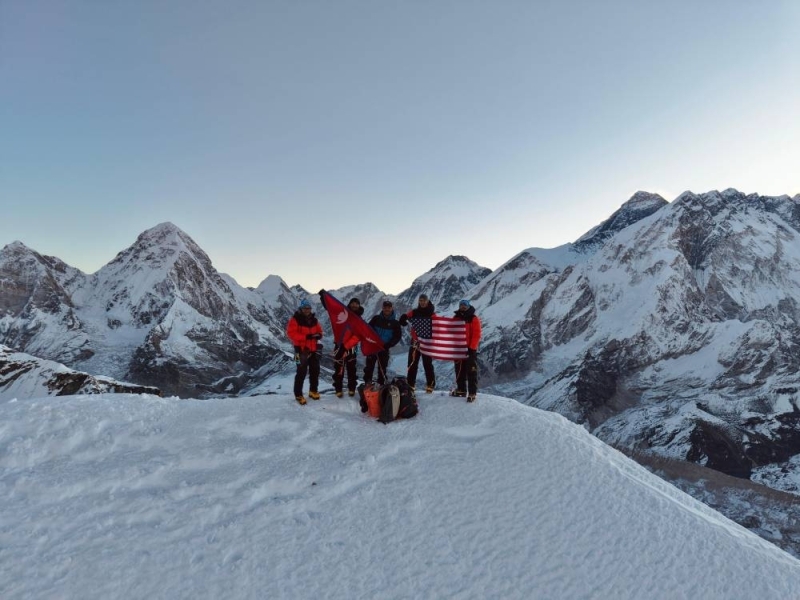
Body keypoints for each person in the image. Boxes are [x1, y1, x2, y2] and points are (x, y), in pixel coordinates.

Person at [286, 299, 323, 405]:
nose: (307, 310)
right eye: (305, 308)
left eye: (308, 308)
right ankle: (298, 394)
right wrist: (306, 337)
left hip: (313, 349)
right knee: (301, 373)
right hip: (300, 350)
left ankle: (313, 391)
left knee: (315, 371)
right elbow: (291, 334)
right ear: (301, 309)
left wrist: (319, 335)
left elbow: (320, 331)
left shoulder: (314, 320)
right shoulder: (295, 320)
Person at [398, 293, 436, 393]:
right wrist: (403, 318)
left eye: (424, 300)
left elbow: (437, 325)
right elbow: (406, 316)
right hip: (415, 341)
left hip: (427, 342)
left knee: (427, 363)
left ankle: (430, 384)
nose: (422, 302)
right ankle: (411, 384)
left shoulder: (432, 313)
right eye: (421, 301)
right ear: (419, 302)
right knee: (412, 363)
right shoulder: (414, 312)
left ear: (427, 301)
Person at [363, 299, 402, 385]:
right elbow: (368, 329)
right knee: (369, 367)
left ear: (392, 308)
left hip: (384, 348)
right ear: (382, 308)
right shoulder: (376, 318)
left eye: (389, 308)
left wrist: (389, 344)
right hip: (373, 347)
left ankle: (381, 384)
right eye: (385, 308)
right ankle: (367, 383)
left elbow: (397, 336)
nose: (387, 309)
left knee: (382, 368)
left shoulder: (395, 323)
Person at [332, 296, 364, 397]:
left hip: (351, 347)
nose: (354, 305)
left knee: (351, 369)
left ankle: (351, 389)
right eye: (352, 303)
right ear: (349, 304)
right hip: (339, 345)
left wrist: (345, 346)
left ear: (359, 306)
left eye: (356, 303)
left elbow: (358, 336)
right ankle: (338, 389)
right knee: (339, 368)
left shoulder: (359, 319)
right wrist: (324, 298)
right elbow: (331, 310)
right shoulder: (343, 314)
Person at [451, 299, 482, 402]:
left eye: (465, 305)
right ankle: (461, 389)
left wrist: (472, 348)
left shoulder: (473, 318)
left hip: (470, 350)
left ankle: (472, 392)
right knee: (459, 370)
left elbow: (476, 334)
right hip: (458, 348)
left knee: (471, 371)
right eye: (461, 305)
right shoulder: (456, 318)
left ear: (468, 306)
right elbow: (451, 331)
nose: (463, 306)